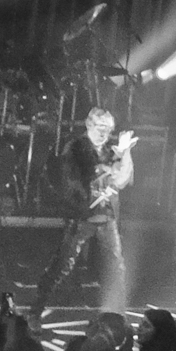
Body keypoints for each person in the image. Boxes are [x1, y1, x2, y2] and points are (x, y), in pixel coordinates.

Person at [37, 106, 136, 316]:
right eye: (100, 126)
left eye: (107, 128)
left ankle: (118, 315)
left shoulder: (110, 151)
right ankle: (36, 310)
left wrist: (126, 152)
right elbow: (76, 177)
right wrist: (108, 170)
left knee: (116, 266)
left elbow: (122, 179)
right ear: (89, 124)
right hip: (82, 215)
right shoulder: (76, 148)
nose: (103, 132)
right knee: (63, 264)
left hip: (106, 217)